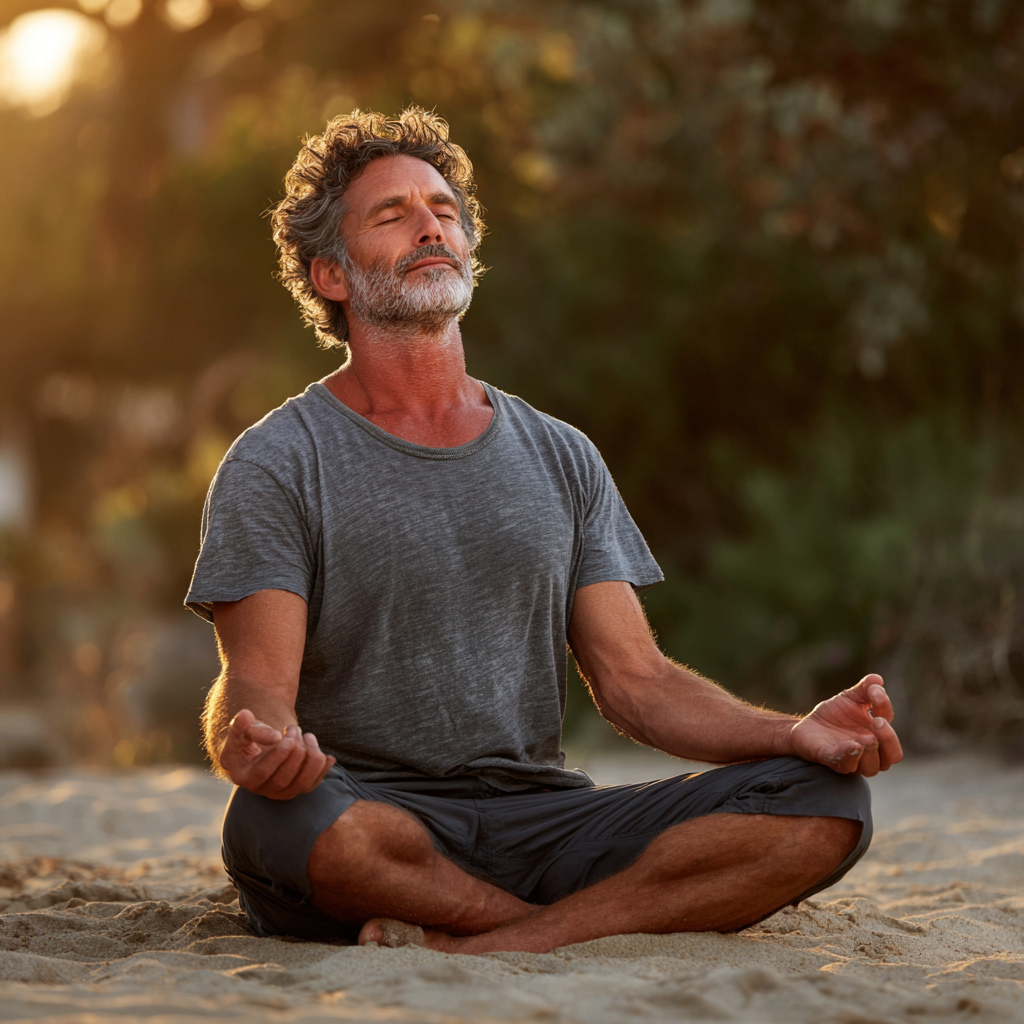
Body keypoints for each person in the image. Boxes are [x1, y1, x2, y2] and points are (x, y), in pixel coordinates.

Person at [185, 108, 902, 955]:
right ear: (331, 276)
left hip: (544, 822)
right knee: (279, 821)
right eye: (392, 215)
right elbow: (257, 684)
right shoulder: (277, 460)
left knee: (825, 801)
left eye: (444, 210)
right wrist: (256, 745)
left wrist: (792, 732)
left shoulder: (561, 454)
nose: (430, 226)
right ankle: (545, 930)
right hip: (371, 816)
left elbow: (636, 683)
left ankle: (477, 939)